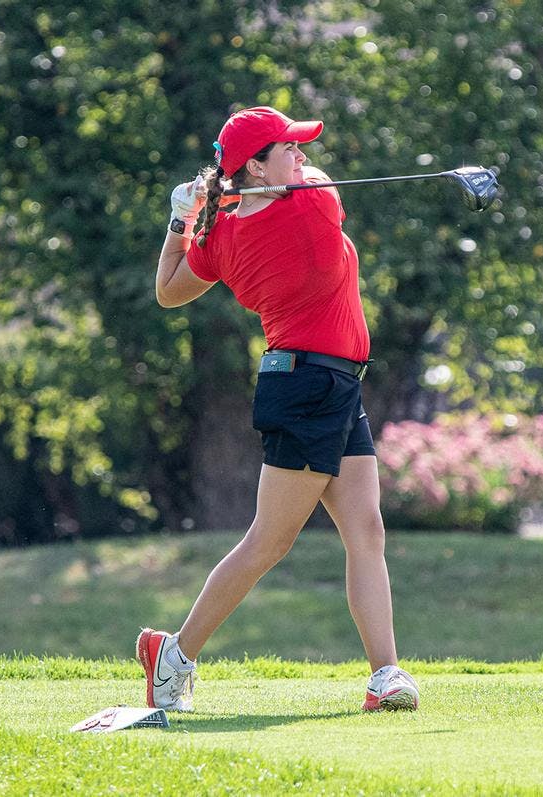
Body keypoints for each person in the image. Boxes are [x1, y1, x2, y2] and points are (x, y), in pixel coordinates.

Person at [138, 106, 419, 713]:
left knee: (367, 530)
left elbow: (168, 288)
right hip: (306, 385)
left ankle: (385, 675)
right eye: (289, 149)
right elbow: (172, 295)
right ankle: (176, 654)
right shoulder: (311, 203)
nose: (304, 157)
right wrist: (209, 206)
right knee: (269, 540)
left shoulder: (222, 235)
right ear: (259, 169)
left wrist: (183, 218)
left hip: (334, 384)